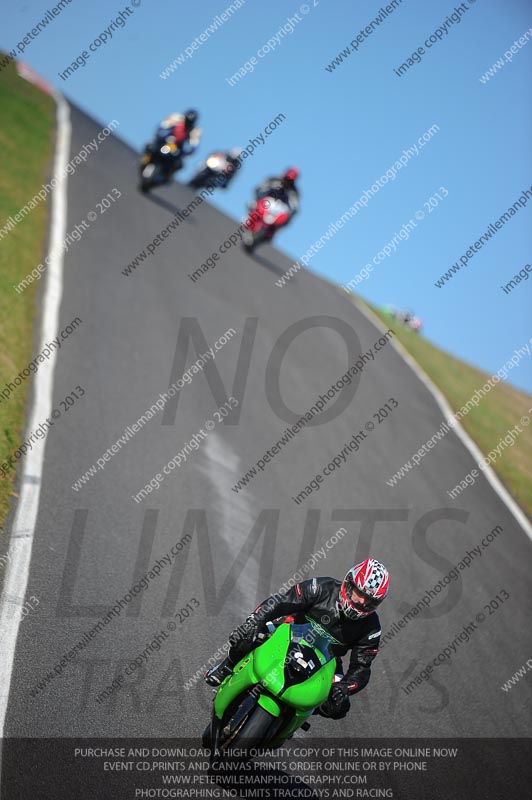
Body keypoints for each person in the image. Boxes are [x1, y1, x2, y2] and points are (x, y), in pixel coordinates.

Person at [205, 557, 389, 720]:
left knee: (339, 706)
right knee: (247, 634)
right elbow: (280, 602)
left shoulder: (372, 627)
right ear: (349, 584)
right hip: (289, 629)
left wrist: (345, 688)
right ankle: (227, 666)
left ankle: (295, 715)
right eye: (361, 593)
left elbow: (362, 668)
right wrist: (255, 621)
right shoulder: (321, 587)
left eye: (371, 600)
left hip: (328, 658)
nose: (364, 602)